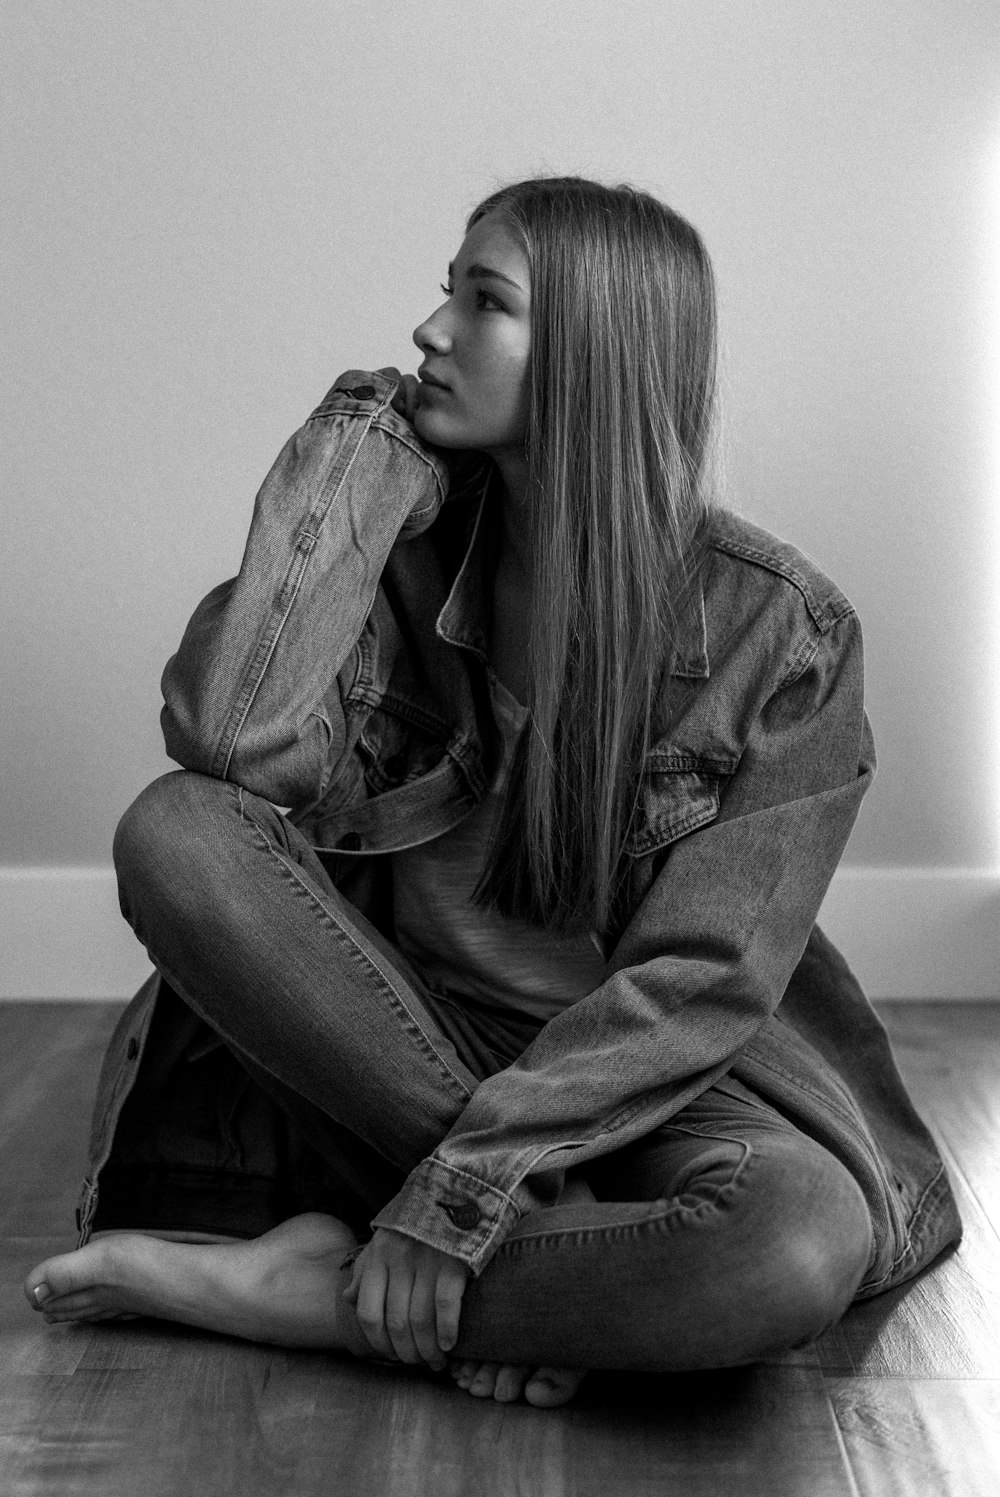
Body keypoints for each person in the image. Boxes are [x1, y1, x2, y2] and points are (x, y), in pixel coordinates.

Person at [24, 176, 960, 1408]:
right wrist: (359, 450)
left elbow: (702, 979)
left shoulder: (781, 632)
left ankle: (319, 1298)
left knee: (786, 1246)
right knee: (175, 830)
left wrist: (475, 1186)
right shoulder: (397, 548)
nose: (429, 331)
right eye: (442, 291)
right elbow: (234, 742)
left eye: (485, 301)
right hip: (390, 1045)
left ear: (594, 347)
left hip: (654, 1071)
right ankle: (550, 1263)